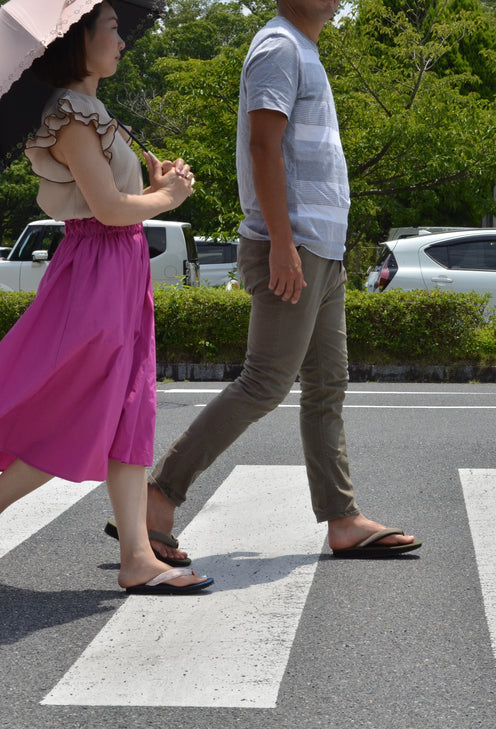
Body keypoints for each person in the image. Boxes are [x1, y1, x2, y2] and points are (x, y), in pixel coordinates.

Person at [0, 1, 212, 596]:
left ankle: (135, 558)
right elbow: (107, 210)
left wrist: (154, 186)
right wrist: (168, 198)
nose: (121, 38)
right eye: (109, 29)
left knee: (128, 408)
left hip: (119, 266)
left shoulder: (95, 111)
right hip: (99, 268)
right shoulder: (72, 115)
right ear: (77, 41)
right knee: (83, 412)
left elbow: (121, 201)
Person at [120, 0, 421, 561]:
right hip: (293, 245)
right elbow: (264, 145)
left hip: (321, 250)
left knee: (328, 385)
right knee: (264, 383)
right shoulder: (279, 45)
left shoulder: (304, 49)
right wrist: (282, 244)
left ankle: (343, 517)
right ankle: (158, 495)